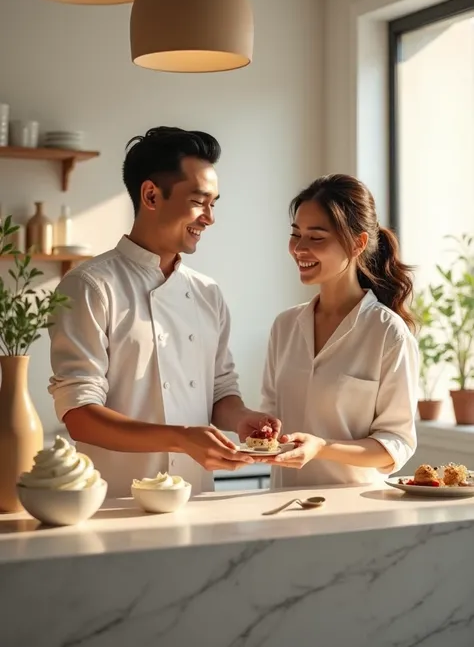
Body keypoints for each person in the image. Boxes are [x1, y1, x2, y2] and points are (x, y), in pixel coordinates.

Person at [48, 126, 280, 497]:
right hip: (113, 506)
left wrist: (242, 419)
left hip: (197, 500)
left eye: (214, 203)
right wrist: (182, 438)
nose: (210, 218)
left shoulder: (208, 293)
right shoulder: (90, 286)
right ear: (151, 195)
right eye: (199, 201)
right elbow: (80, 416)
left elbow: (221, 391)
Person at [259, 173, 418, 488]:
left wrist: (321, 448)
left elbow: (395, 443)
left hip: (354, 518)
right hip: (281, 510)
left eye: (316, 237)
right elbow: (270, 420)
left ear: (358, 243)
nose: (299, 249)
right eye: (296, 234)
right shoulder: (285, 326)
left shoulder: (388, 333)